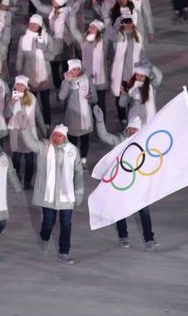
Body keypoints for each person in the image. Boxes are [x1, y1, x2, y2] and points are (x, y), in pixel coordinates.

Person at [93, 108, 160, 251]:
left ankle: (149, 239)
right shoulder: (119, 142)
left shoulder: (144, 145)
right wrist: (99, 121)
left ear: (139, 131)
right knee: (119, 210)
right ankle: (123, 236)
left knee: (144, 211)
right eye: (129, 129)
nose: (131, 132)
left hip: (138, 184)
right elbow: (104, 136)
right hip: (121, 183)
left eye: (134, 130)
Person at [19, 122, 84, 264]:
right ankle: (44, 237)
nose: (56, 138)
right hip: (48, 195)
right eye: (54, 134)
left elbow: (78, 172)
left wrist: (79, 191)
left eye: (59, 136)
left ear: (65, 138)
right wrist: (24, 128)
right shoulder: (44, 147)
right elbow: (30, 143)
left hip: (66, 195)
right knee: (49, 222)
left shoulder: (72, 151)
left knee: (66, 224)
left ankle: (64, 252)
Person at [5, 74, 47, 190]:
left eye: (22, 85)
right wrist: (11, 103)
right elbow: (6, 114)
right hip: (16, 131)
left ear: (26, 86)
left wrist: (44, 130)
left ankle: (28, 181)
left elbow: (38, 115)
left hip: (29, 131)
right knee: (16, 157)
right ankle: (16, 177)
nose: (19, 87)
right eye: (17, 84)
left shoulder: (32, 98)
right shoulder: (12, 97)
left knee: (29, 158)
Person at [15, 14, 56, 127]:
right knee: (29, 102)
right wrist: (18, 72)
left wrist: (43, 48)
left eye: (35, 24)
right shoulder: (23, 38)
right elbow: (20, 56)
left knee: (45, 102)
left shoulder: (47, 38)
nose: (32, 26)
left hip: (44, 75)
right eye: (31, 23)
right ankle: (30, 123)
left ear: (40, 25)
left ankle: (47, 124)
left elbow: (51, 57)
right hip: (29, 75)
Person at [107, 15, 147, 128]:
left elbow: (142, 53)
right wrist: (117, 23)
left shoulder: (137, 36)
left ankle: (130, 119)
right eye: (125, 22)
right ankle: (122, 118)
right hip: (121, 75)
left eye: (130, 22)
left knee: (132, 99)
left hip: (134, 75)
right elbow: (111, 35)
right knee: (119, 99)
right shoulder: (119, 35)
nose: (128, 24)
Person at [58, 59, 98, 168]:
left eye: (78, 69)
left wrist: (90, 98)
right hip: (72, 117)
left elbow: (95, 98)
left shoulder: (86, 79)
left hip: (85, 117)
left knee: (85, 140)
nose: (76, 71)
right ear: (70, 70)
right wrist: (66, 82)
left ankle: (83, 160)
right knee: (72, 142)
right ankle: (73, 161)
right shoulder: (66, 81)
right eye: (73, 69)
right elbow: (61, 97)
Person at [68, 19, 108, 118]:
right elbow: (73, 29)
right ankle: (90, 124)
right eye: (90, 26)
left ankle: (101, 124)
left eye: (93, 27)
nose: (90, 28)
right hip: (86, 78)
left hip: (100, 79)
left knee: (100, 103)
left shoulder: (103, 41)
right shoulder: (83, 40)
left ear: (98, 30)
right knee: (88, 102)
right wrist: (73, 13)